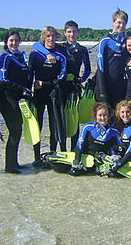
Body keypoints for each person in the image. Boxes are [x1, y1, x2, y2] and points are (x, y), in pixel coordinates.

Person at [33, 20, 91, 150]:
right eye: (69, 32)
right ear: (65, 33)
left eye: (74, 32)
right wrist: (48, 54)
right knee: (60, 121)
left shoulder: (82, 50)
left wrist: (82, 79)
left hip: (73, 89)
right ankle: (63, 149)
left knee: (74, 120)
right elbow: (36, 45)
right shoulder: (60, 47)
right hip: (59, 88)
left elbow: (87, 69)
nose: (72, 34)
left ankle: (74, 150)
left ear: (78, 32)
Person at [29, 26, 67, 166]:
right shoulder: (35, 55)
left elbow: (61, 77)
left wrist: (43, 83)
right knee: (37, 125)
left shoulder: (60, 56)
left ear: (56, 38)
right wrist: (31, 87)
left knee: (54, 126)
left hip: (53, 93)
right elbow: (30, 75)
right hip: (38, 94)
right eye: (48, 36)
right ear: (44, 38)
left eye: (53, 36)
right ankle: (37, 157)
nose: (51, 39)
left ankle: (53, 154)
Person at [0, 30, 31, 173]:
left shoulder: (21, 56)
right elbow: (2, 80)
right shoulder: (4, 58)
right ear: (6, 42)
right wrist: (20, 88)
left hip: (18, 99)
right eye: (11, 40)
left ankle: (14, 163)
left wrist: (27, 91)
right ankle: (9, 167)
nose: (14, 43)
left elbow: (27, 76)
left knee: (17, 131)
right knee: (15, 130)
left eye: (16, 40)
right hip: (6, 99)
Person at [70, 102, 120, 175]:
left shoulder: (114, 132)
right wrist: (77, 160)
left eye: (105, 115)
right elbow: (79, 145)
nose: (102, 118)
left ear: (109, 116)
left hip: (101, 160)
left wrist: (115, 158)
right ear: (95, 116)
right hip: (87, 158)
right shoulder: (88, 127)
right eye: (100, 115)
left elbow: (116, 149)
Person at [95, 9, 128, 108]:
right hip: (105, 86)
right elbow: (100, 66)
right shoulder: (104, 41)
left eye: (124, 23)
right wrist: (102, 90)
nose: (121, 25)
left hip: (120, 87)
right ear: (113, 22)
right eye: (119, 22)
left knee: (119, 119)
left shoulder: (126, 42)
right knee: (104, 119)